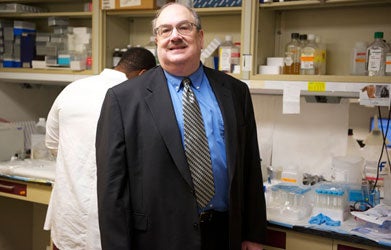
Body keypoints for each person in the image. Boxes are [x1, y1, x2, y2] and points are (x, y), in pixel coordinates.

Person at [96, 3, 267, 250]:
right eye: (165, 30)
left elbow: (250, 166)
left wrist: (253, 234)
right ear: (156, 41)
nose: (174, 36)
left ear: (200, 37)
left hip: (223, 233)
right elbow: (112, 190)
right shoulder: (123, 99)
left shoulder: (235, 91)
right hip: (157, 238)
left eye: (184, 27)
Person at [44, 47, 157, 250]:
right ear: (143, 74)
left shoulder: (73, 88)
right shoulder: (134, 100)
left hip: (66, 218)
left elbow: (52, 145)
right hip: (106, 226)